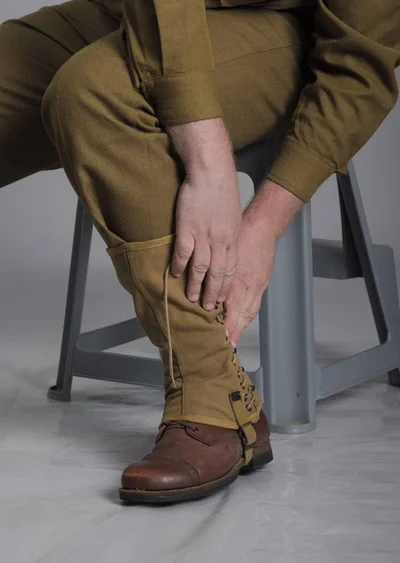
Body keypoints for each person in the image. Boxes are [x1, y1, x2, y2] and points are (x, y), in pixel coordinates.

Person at [1, 0, 399, 504]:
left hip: (288, 27)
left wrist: (262, 224)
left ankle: (218, 399)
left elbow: (361, 62)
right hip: (150, 10)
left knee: (95, 93)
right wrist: (208, 166)